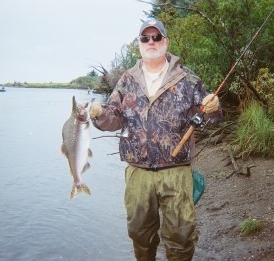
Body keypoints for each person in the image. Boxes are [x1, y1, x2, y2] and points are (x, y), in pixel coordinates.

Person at [88, 19, 222, 260]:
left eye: (156, 37)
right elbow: (114, 118)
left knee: (181, 237)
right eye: (145, 38)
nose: (151, 42)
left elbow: (210, 118)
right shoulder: (127, 80)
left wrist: (213, 108)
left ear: (166, 41)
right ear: (139, 43)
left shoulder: (188, 79)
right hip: (137, 173)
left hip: (177, 172)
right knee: (140, 234)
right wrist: (98, 114)